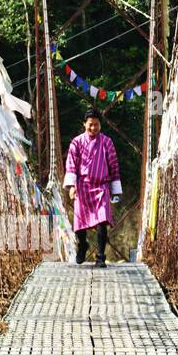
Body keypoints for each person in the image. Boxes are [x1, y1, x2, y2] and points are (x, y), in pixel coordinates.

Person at [64, 107, 121, 267]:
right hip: (82, 186)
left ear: (100, 125)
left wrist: (114, 189)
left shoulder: (107, 142)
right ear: (84, 124)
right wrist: (71, 186)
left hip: (101, 187)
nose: (93, 128)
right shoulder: (76, 142)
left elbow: (114, 165)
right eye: (90, 124)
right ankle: (82, 245)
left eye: (96, 124)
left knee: (102, 221)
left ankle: (101, 256)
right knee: (80, 223)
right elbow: (71, 165)